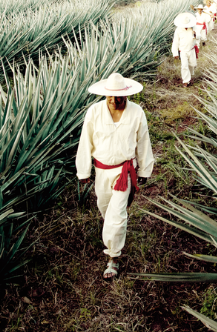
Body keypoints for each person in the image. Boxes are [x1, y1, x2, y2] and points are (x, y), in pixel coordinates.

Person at [76, 73, 154, 280]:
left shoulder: (137, 113)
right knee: (105, 209)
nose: (113, 100)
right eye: (110, 96)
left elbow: (143, 142)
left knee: (117, 216)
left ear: (126, 96)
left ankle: (113, 258)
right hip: (101, 170)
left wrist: (144, 170)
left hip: (124, 171)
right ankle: (113, 238)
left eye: (118, 97)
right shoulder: (94, 112)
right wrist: (84, 171)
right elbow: (86, 141)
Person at [172, 12, 197, 87]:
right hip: (183, 51)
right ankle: (186, 81)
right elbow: (175, 42)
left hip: (191, 50)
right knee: (184, 66)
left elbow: (198, 36)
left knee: (193, 64)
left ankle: (189, 75)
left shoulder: (193, 28)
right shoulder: (178, 30)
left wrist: (196, 34)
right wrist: (175, 53)